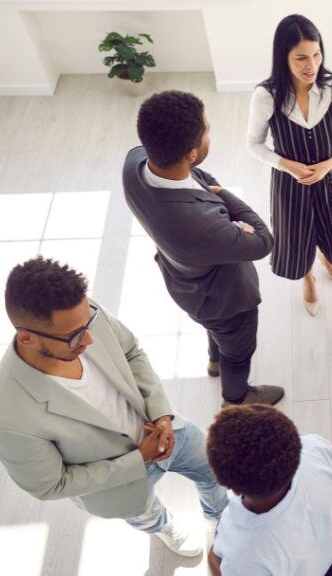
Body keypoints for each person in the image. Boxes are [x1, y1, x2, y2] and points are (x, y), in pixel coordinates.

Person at [0, 257, 228, 557]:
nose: (90, 338)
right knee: (146, 514)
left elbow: (131, 351)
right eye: (75, 336)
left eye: (88, 323)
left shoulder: (81, 316)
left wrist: (161, 414)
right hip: (118, 484)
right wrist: (139, 459)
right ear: (27, 337)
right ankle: (162, 527)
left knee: (213, 470)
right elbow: (51, 484)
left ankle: (221, 521)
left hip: (168, 430)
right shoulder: (9, 414)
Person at [124, 90, 283, 408]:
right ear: (191, 153)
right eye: (207, 130)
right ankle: (236, 399)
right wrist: (223, 193)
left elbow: (199, 178)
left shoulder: (135, 162)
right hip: (226, 301)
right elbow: (264, 240)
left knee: (217, 334)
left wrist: (214, 195)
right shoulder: (200, 226)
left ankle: (214, 362)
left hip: (187, 286)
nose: (211, 133)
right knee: (238, 353)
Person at [247, 14, 332, 316]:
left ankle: (326, 259)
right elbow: (254, 144)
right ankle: (308, 277)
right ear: (282, 56)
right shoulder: (266, 95)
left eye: (316, 54)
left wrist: (330, 163)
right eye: (301, 58)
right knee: (296, 237)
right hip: (290, 183)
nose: (311, 65)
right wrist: (288, 165)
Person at [206, 405, 332, 576]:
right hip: (327, 549)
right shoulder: (316, 449)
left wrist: (213, 560)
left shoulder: (243, 555)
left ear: (226, 483)